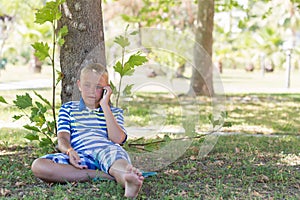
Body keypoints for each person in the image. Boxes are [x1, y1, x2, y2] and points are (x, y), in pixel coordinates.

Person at [31, 63, 144, 198]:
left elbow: (117, 139)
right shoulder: (68, 109)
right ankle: (102, 175)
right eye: (87, 85)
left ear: (106, 89)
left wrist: (105, 106)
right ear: (79, 85)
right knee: (39, 165)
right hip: (79, 157)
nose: (92, 91)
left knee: (118, 160)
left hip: (106, 152)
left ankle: (127, 180)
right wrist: (69, 151)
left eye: (98, 87)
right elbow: (63, 138)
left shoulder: (114, 112)